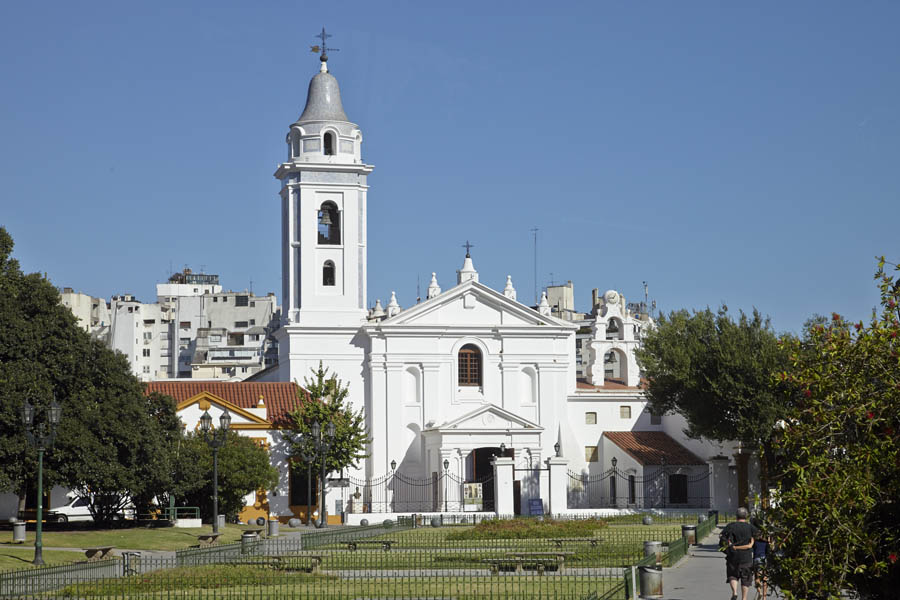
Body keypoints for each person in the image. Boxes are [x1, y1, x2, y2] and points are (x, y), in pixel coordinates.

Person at [719, 507, 760, 600]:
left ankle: (735, 592)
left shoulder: (730, 526)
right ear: (746, 516)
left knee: (733, 575)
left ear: (736, 515)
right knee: (745, 579)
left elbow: (721, 536)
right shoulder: (750, 527)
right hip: (746, 557)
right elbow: (758, 536)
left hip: (733, 556)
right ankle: (744, 598)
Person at [750, 516, 770, 598]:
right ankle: (764, 597)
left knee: (757, 576)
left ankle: (759, 592)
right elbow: (768, 550)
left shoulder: (754, 537)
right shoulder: (766, 537)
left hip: (756, 558)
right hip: (764, 558)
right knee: (765, 578)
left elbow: (751, 547)